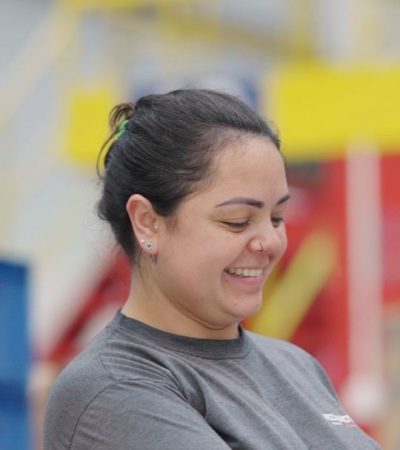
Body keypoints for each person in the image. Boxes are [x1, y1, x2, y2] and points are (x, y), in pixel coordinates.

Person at [44, 89, 381, 449]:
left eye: (277, 217)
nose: (270, 242)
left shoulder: (296, 366)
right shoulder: (112, 388)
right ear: (147, 222)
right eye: (237, 221)